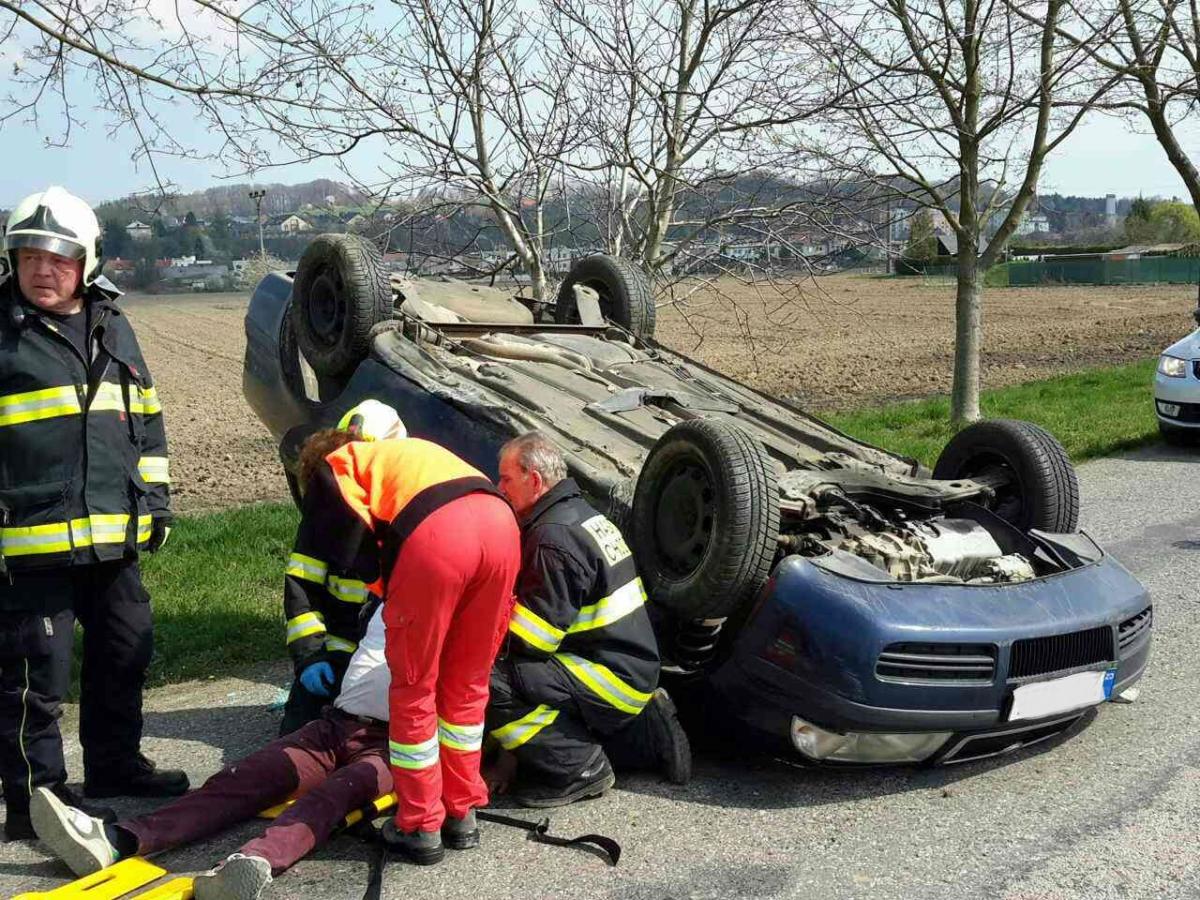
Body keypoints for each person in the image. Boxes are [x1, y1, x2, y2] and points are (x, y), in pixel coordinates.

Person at [0, 186, 187, 843]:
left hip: (114, 540)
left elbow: (146, 420)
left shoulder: (114, 322)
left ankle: (114, 767)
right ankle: (36, 805)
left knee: (124, 653)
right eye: (27, 257)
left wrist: (155, 500)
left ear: (87, 263)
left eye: (57, 258)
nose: (41, 270)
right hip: (28, 547)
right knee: (34, 682)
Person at [30, 602, 409, 900]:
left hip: (396, 743)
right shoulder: (385, 596)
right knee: (241, 779)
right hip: (334, 725)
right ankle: (117, 840)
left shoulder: (459, 612)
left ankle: (249, 864)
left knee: (330, 799)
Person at [282, 401, 521, 865]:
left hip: (439, 539)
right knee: (468, 688)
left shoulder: (336, 468)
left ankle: (419, 824)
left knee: (414, 689)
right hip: (500, 526)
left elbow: (356, 556)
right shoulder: (413, 456)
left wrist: (398, 602)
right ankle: (462, 811)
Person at [486, 431, 691, 808]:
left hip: (609, 676)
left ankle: (579, 769)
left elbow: (532, 642)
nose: (500, 489)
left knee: (488, 680)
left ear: (534, 480)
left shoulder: (552, 538)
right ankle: (645, 733)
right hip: (631, 665)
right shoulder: (581, 513)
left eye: (506, 479)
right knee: (524, 680)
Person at [276, 400, 399, 736]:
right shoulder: (325, 514)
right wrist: (310, 658)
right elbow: (301, 590)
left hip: (389, 661)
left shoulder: (405, 513)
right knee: (295, 741)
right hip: (333, 655)